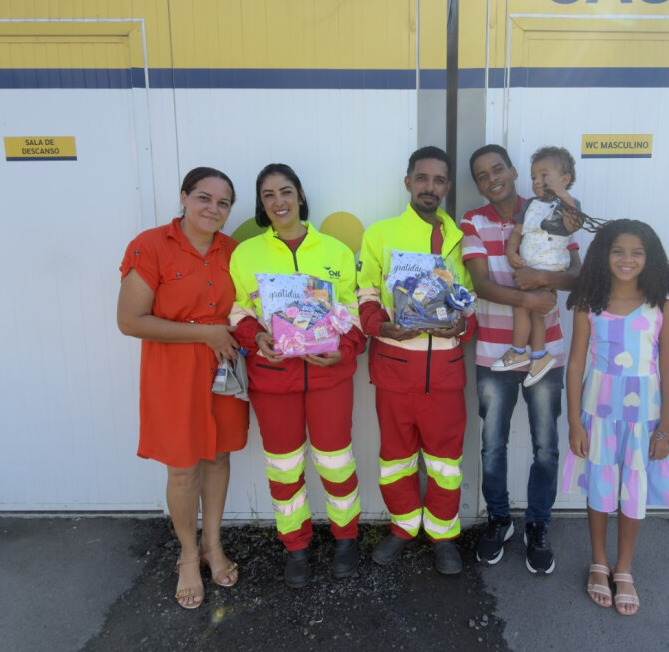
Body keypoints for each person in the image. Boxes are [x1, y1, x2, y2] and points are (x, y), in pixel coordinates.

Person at [117, 167, 250, 610]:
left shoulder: (234, 251)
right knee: (182, 467)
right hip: (173, 370)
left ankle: (213, 546)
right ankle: (188, 557)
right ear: (184, 198)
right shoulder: (150, 245)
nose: (214, 208)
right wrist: (203, 334)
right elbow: (130, 320)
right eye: (204, 198)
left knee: (217, 456)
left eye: (224, 202)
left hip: (223, 368)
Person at [228, 163, 367, 587]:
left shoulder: (335, 251)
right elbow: (236, 310)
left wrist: (344, 351)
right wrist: (255, 337)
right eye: (268, 195)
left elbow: (355, 309)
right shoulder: (245, 254)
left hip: (329, 377)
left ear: (301, 196)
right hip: (273, 379)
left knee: (336, 461)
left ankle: (346, 538)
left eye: (285, 191)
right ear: (261, 203)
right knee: (284, 466)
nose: (279, 202)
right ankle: (296, 545)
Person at [461, 144, 580, 574]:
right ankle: (498, 520)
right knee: (493, 446)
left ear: (514, 170)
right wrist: (533, 296)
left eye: (498, 168)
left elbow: (578, 274)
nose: (492, 177)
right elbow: (480, 285)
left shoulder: (550, 209)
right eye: (481, 174)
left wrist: (543, 279)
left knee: (546, 446)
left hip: (546, 356)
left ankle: (538, 524)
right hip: (495, 357)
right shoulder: (472, 221)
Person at [357, 146, 476, 575]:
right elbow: (365, 291)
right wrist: (379, 324)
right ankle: (404, 527)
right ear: (408, 182)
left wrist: (461, 326)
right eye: (422, 178)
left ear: (447, 187)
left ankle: (443, 534)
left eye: (439, 180)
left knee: (445, 463)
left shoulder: (462, 239)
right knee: (395, 458)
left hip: (444, 372)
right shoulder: (381, 234)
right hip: (395, 368)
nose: (430, 187)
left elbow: (468, 301)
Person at [561, 219, 669, 615]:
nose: (627, 259)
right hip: (597, 415)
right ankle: (599, 561)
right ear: (604, 255)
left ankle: (624, 568)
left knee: (632, 492)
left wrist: (666, 429)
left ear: (649, 259)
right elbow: (576, 363)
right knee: (599, 489)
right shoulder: (589, 302)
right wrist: (574, 422)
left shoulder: (662, 303)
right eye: (618, 251)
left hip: (644, 418)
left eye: (637, 252)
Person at [495, 146, 583, 387]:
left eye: (545, 176)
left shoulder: (569, 205)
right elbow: (518, 231)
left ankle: (525, 351)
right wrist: (510, 250)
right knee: (529, 310)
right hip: (527, 268)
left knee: (525, 309)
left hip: (547, 271)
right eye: (534, 177)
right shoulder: (529, 205)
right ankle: (536, 354)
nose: (537, 181)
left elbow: (573, 225)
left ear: (564, 180)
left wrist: (563, 196)